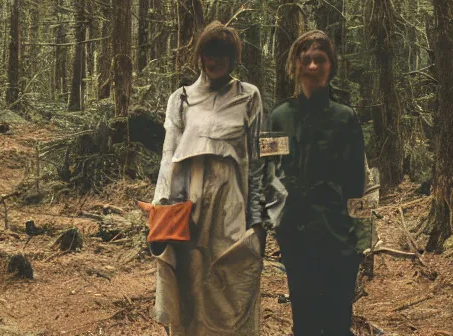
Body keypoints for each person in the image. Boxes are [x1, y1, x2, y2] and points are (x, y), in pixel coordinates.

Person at [149, 21, 266, 335]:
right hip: (189, 209)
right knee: (189, 293)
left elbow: (256, 163)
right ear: (199, 56)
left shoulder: (248, 96)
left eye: (224, 56)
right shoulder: (181, 99)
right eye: (210, 54)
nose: (216, 62)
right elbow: (169, 158)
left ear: (233, 59)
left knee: (230, 293)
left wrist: (256, 221)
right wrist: (162, 213)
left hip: (232, 211)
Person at [264, 30, 367, 336]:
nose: (311, 67)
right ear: (295, 65)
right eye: (305, 59)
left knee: (336, 320)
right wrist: (274, 222)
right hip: (296, 235)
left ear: (330, 66)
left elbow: (357, 181)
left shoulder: (345, 118)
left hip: (338, 234)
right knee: (305, 319)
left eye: (319, 60)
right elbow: (268, 171)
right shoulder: (279, 117)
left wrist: (362, 240)